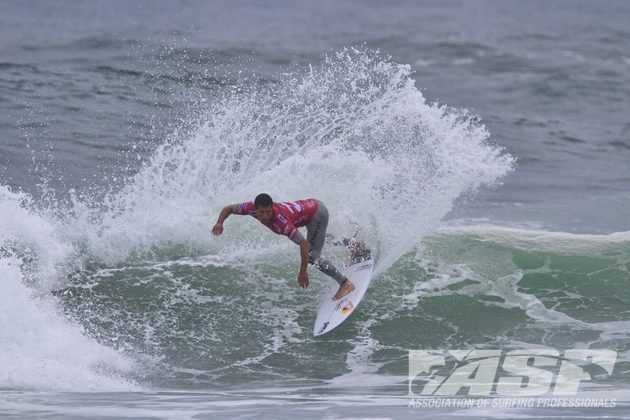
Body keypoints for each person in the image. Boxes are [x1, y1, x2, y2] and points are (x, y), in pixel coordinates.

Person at [211, 193, 355, 300]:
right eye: (261, 212)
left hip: (317, 214)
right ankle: (354, 244)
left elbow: (303, 244)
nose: (265, 216)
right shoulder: (249, 208)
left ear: (272, 207)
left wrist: (303, 270)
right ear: (255, 209)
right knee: (317, 238)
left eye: (269, 212)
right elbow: (228, 208)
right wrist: (219, 223)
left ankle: (345, 283)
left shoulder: (281, 222)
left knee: (312, 256)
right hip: (313, 206)